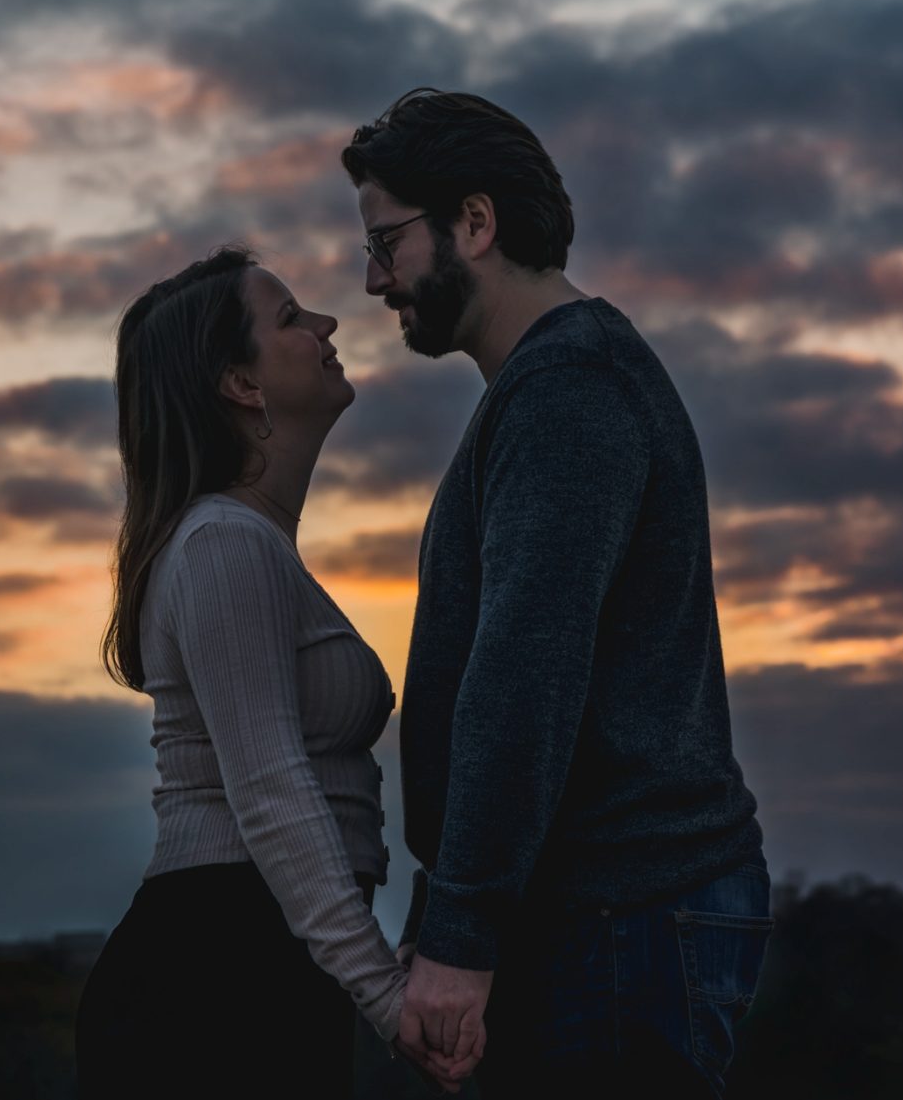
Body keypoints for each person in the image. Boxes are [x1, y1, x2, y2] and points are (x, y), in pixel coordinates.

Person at [341, 89, 773, 1097]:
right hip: (601, 913)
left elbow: (523, 675)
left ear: (475, 223)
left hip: (622, 916)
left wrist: (458, 934)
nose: (371, 279)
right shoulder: (551, 388)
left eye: (387, 241)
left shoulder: (570, 392)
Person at [77, 245, 460, 1098]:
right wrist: (386, 995)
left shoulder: (251, 547)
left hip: (262, 955)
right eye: (290, 317)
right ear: (240, 385)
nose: (325, 324)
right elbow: (272, 790)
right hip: (215, 972)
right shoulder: (223, 544)